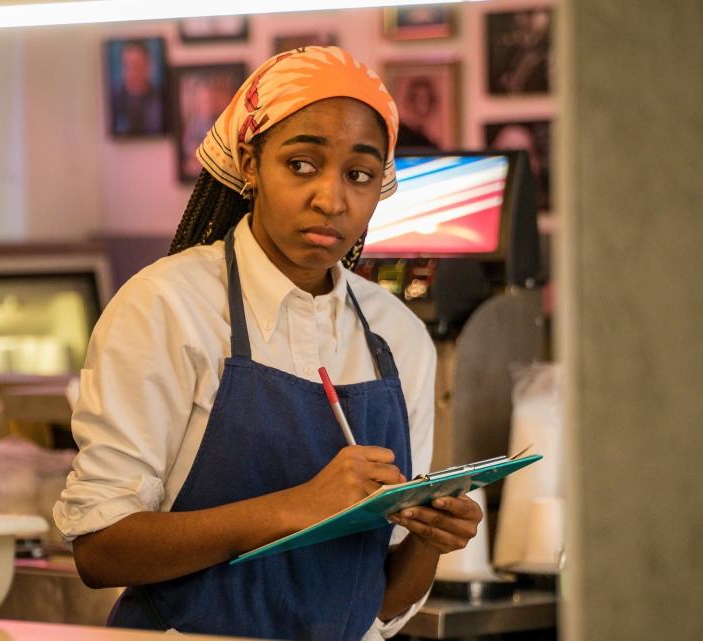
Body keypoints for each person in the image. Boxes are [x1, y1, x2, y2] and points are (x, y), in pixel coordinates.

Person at [54, 46, 483, 641]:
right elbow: (101, 552)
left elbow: (378, 606)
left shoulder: (398, 336)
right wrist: (295, 507)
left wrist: (431, 540)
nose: (331, 199)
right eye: (302, 165)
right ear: (251, 164)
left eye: (358, 174)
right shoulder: (167, 308)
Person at [110, 39, 164, 135]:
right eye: (127, 66)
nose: (131, 72)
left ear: (148, 66)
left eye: (136, 66)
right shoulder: (113, 99)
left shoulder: (161, 99)